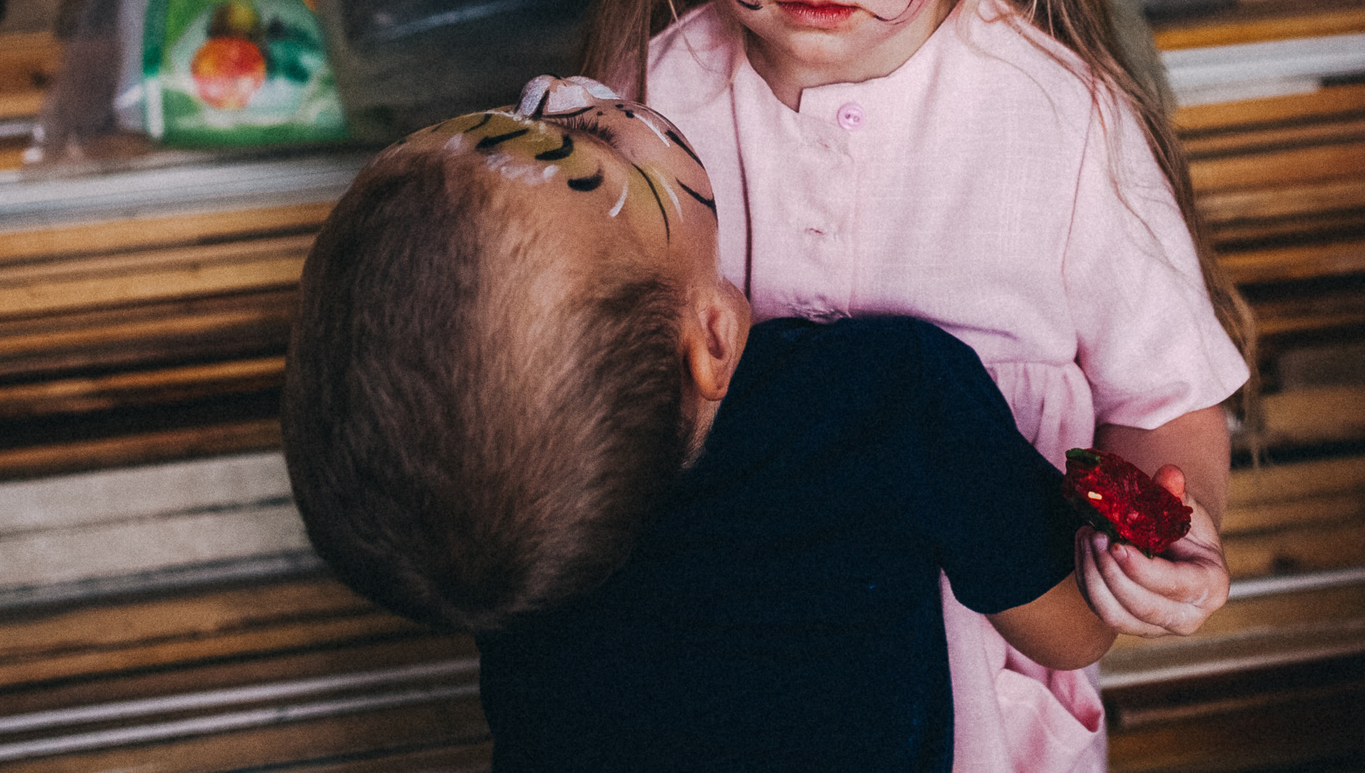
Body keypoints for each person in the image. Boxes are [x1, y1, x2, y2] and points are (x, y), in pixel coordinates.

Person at [584, 0, 1254, 771]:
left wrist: (1173, 532)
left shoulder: (1063, 129)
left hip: (986, 736)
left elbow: (1167, 406)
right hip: (723, 709)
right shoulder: (642, 113)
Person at [279, 80, 1115, 771]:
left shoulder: (502, 543)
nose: (561, 85)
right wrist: (1125, 544)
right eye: (588, 137)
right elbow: (1072, 630)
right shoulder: (890, 394)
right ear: (713, 336)